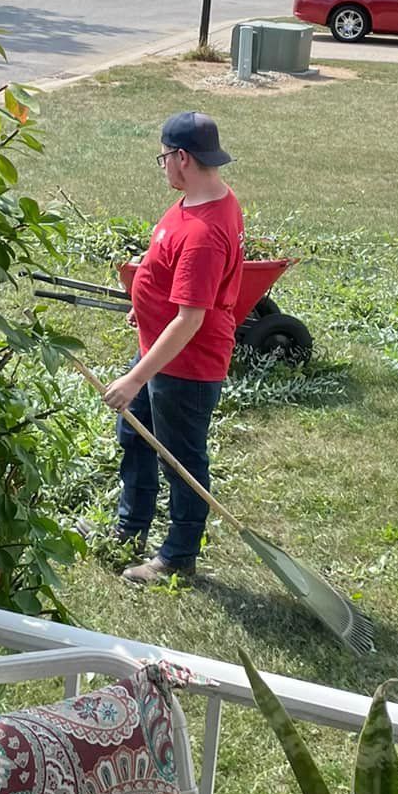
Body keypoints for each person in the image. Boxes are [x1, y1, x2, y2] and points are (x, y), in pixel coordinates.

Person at [105, 112, 245, 583]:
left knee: (180, 460)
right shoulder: (195, 199)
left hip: (185, 366)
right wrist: (144, 306)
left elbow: (190, 319)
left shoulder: (207, 232)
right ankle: (130, 527)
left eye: (164, 157)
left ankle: (177, 557)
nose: (163, 165)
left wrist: (134, 377)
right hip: (157, 350)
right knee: (135, 438)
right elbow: (170, 278)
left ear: (183, 157)